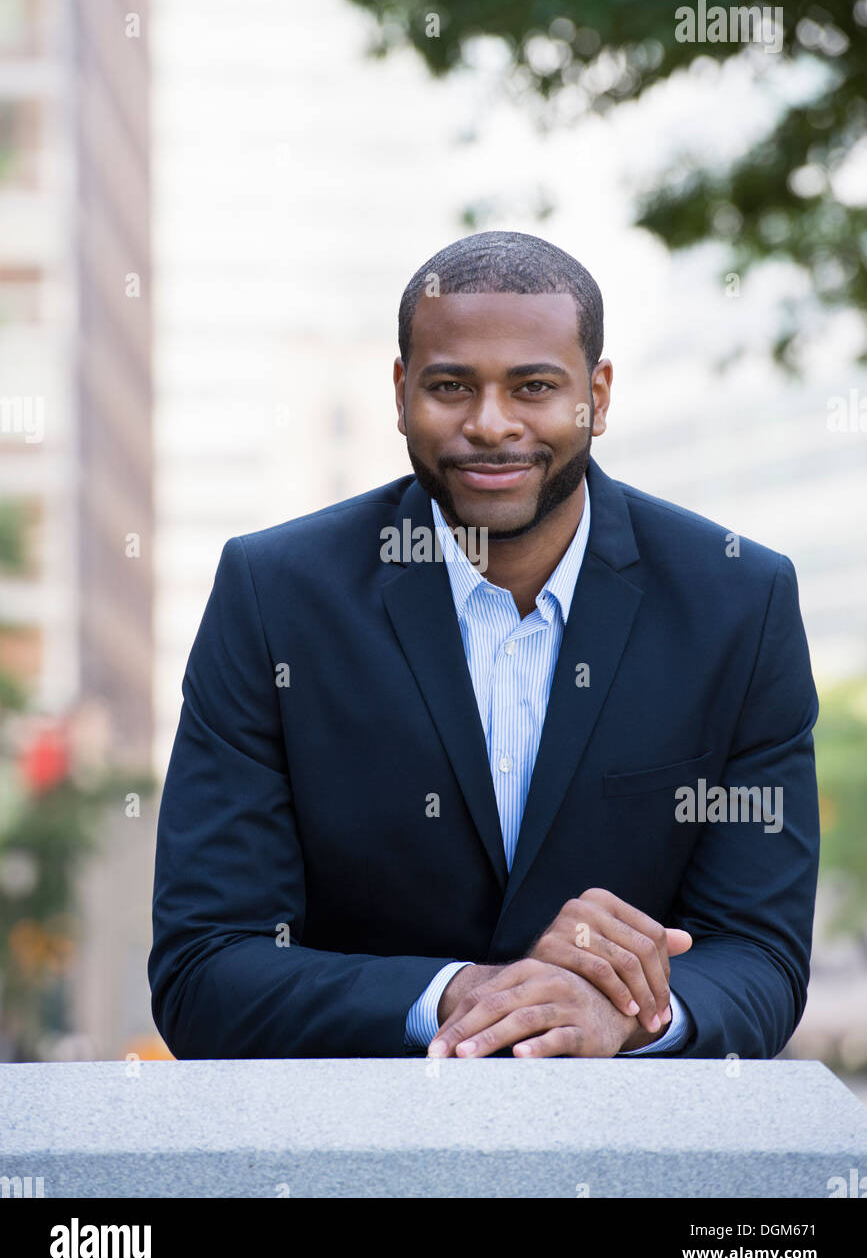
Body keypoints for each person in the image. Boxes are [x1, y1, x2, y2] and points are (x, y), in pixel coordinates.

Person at [149, 230, 820, 1061]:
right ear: (401, 394)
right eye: (449, 387)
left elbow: (758, 954)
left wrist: (625, 1015)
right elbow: (203, 967)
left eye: (534, 387)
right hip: (342, 1165)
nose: (491, 424)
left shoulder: (738, 603)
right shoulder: (273, 594)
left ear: (597, 396)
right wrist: (457, 995)